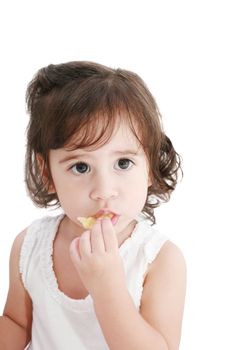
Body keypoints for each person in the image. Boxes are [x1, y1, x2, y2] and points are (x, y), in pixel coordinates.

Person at [0, 61, 186, 350]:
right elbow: (17, 323)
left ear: (149, 166)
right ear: (47, 173)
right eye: (81, 167)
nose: (103, 191)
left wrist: (107, 287)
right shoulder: (29, 246)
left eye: (123, 163)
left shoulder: (159, 260)